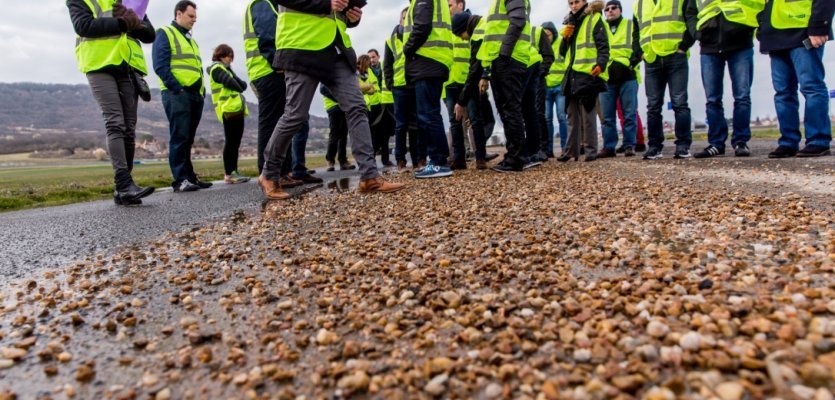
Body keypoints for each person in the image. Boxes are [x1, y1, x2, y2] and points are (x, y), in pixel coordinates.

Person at [259, 0, 406, 200]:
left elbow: (337, 13)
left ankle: (369, 176)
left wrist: (351, 17)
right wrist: (326, 4)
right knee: (295, 115)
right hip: (301, 46)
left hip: (336, 50)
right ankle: (269, 174)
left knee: (357, 107)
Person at [67, 0, 156, 206]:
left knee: (129, 127)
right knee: (115, 122)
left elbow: (150, 34)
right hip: (99, 64)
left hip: (127, 64)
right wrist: (124, 24)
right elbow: (83, 26)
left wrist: (137, 23)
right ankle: (124, 184)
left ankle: (126, 187)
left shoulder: (128, 1)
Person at [243, 0, 313, 188]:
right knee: (271, 123)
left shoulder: (274, 4)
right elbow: (266, 36)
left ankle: (282, 171)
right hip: (268, 71)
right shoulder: (262, 3)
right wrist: (279, 64)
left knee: (284, 120)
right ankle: (269, 173)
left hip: (276, 70)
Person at [686, 0, 762, 158]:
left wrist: (750, 27)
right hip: (709, 44)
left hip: (740, 41)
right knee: (712, 99)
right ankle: (716, 143)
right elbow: (690, 13)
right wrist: (696, 33)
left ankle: (741, 142)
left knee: (742, 96)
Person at [759, 0, 833, 158]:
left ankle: (818, 141)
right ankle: (788, 142)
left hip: (803, 30)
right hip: (775, 35)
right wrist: (763, 27)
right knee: (783, 93)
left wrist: (820, 26)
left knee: (811, 87)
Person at [154, 0, 212, 192]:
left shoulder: (191, 40)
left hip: (195, 95)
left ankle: (190, 177)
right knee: (179, 136)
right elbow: (160, 65)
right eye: (191, 16)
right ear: (178, 14)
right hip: (178, 93)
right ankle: (180, 180)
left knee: (188, 138)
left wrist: (201, 92)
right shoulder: (165, 33)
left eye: (195, 17)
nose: (194, 20)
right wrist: (176, 88)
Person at [635, 0, 695, 160]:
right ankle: (654, 146)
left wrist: (684, 46)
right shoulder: (639, 4)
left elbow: (691, 20)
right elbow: (636, 31)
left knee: (679, 103)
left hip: (675, 56)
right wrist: (639, 53)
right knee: (653, 106)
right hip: (652, 58)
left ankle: (683, 145)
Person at [478, 0, 532, 172]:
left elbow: (518, 21)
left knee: (510, 108)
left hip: (509, 59)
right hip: (503, 59)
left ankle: (516, 159)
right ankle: (514, 156)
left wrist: (504, 52)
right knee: (506, 110)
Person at [404, 0, 455, 179]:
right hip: (435, 60)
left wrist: (407, 49)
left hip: (428, 60)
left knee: (428, 114)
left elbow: (422, 27)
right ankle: (439, 161)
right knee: (430, 113)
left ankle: (438, 162)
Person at [558, 0, 609, 162]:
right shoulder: (568, 23)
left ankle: (590, 151)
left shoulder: (594, 18)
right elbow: (562, 52)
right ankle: (571, 151)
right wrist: (565, 38)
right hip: (571, 74)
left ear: (584, 2)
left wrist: (601, 64)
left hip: (588, 73)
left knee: (588, 114)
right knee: (571, 115)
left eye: (577, 2)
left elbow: (603, 45)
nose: (574, 5)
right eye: (571, 3)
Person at [598, 0, 641, 158]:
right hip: (607, 77)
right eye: (607, 9)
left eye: (613, 8)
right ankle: (609, 147)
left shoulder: (630, 25)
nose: (610, 11)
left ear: (620, 10)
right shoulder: (601, 29)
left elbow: (638, 43)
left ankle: (629, 145)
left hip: (627, 76)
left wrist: (633, 62)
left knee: (629, 113)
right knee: (607, 117)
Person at [385, 7, 425, 172]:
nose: (406, 20)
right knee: (401, 125)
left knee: (416, 124)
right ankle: (400, 159)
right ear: (400, 20)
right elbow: (387, 65)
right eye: (404, 17)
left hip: (415, 85)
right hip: (399, 87)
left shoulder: (417, 36)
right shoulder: (390, 41)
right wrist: (390, 84)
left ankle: (417, 159)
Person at [207, 45, 250, 184]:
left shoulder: (226, 69)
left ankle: (234, 171)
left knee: (235, 142)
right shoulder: (217, 69)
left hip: (236, 109)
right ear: (221, 55)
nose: (230, 59)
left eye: (232, 57)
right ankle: (229, 173)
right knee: (231, 142)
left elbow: (243, 85)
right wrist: (233, 78)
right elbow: (235, 85)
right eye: (228, 56)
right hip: (228, 109)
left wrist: (231, 72)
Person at [451, 11, 489, 170]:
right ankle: (459, 159)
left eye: (461, 34)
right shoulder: (478, 26)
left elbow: (475, 68)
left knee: (476, 119)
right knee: (456, 122)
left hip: (469, 80)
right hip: (454, 81)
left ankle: (481, 158)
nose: (461, 38)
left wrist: (485, 75)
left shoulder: (478, 32)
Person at [525, 24, 555, 165]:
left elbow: (548, 55)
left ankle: (541, 149)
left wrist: (539, 73)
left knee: (538, 113)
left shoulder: (536, 31)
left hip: (536, 79)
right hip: (520, 79)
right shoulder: (510, 28)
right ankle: (528, 149)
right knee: (524, 113)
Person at [541, 22, 568, 157]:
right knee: (547, 118)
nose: (546, 37)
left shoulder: (560, 44)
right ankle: (548, 149)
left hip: (560, 86)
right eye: (544, 35)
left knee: (562, 117)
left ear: (553, 33)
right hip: (546, 87)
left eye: (548, 34)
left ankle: (565, 148)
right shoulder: (541, 46)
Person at [369, 49, 396, 167]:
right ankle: (371, 159)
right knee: (374, 135)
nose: (372, 59)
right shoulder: (366, 71)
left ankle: (385, 159)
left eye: (373, 57)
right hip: (373, 106)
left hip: (385, 103)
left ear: (378, 56)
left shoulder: (384, 67)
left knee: (385, 134)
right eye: (369, 58)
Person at [321, 84, 354, 171]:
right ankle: (330, 160)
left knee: (343, 133)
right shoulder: (326, 72)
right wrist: (340, 99)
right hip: (333, 106)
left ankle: (343, 160)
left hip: (343, 107)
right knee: (335, 134)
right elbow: (323, 89)